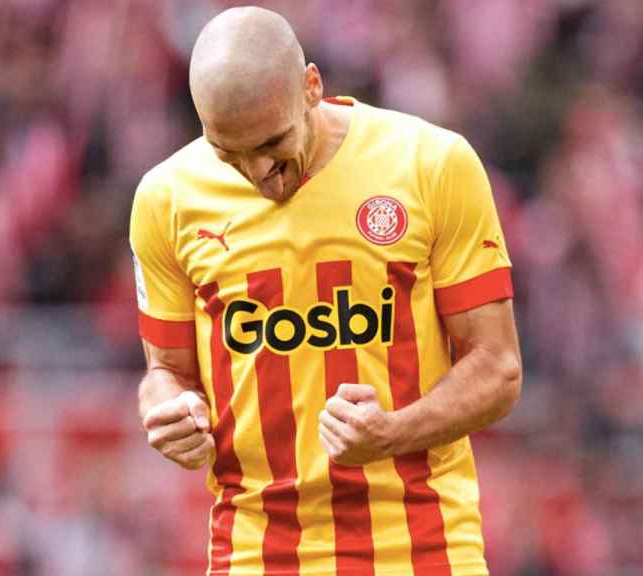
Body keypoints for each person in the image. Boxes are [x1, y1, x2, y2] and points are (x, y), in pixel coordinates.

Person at [130, 7, 522, 575]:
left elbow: (498, 369)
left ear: (312, 85)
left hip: (423, 549)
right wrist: (168, 412)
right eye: (228, 153)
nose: (258, 172)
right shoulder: (166, 198)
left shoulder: (429, 163)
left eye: (272, 143)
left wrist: (391, 434)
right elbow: (165, 372)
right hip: (255, 553)